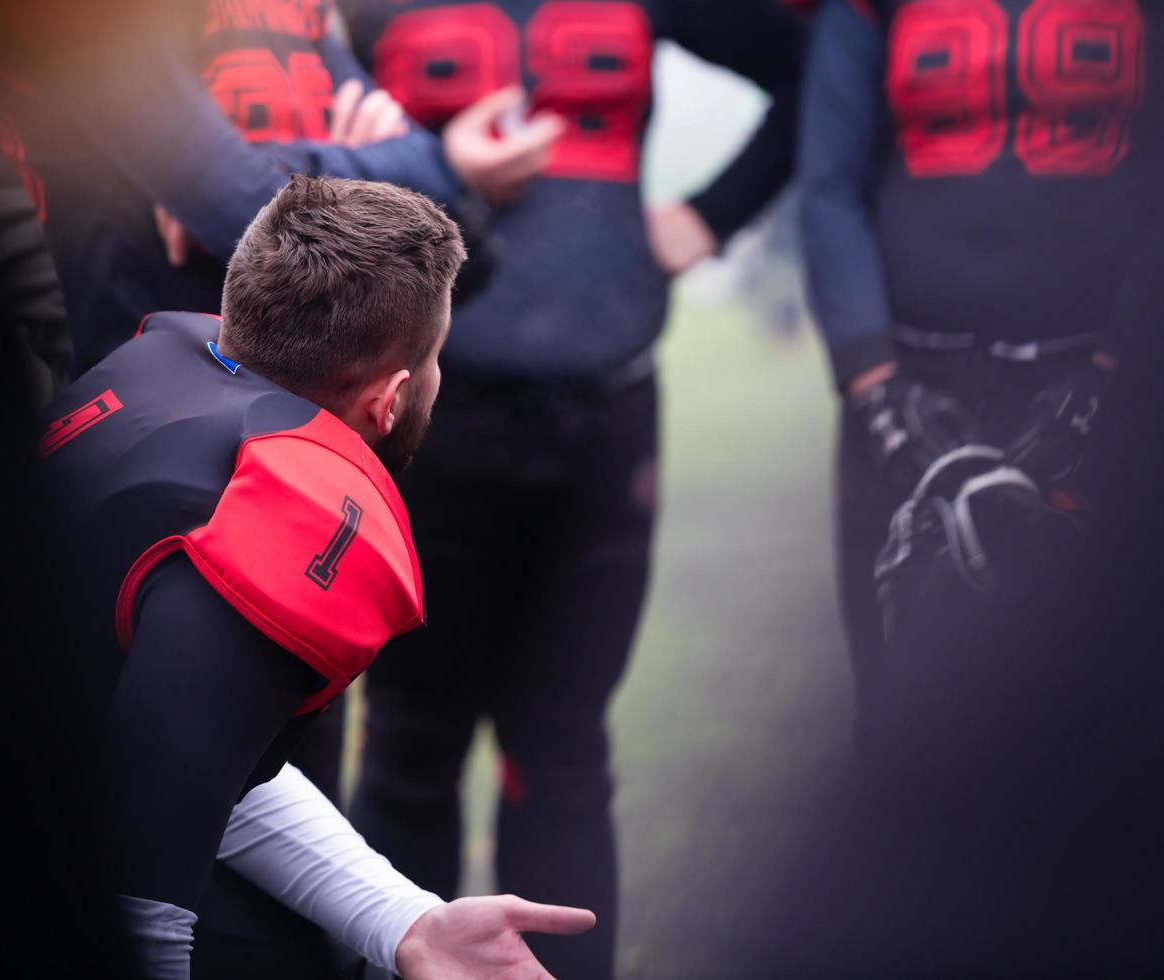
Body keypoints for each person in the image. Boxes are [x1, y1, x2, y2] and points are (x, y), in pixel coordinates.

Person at [336, 2, 808, 975]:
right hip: (426, 419)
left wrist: (708, 217)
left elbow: (815, 67)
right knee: (410, 745)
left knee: (561, 752)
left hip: (603, 413)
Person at [42, 175, 594, 979]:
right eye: (435, 360)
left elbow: (192, 763)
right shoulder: (262, 529)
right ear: (392, 397)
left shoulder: (164, 384)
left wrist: (405, 920)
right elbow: (141, 903)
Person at [798, 0, 1164, 736]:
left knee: (1120, 738)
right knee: (900, 727)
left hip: (1103, 383)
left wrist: (1120, 373)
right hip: (911, 392)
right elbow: (828, 185)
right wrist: (876, 385)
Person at [0, 0, 563, 370]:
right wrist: (371, 166)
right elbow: (240, 208)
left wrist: (270, 162)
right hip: (138, 395)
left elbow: (444, 209)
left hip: (294, 396)